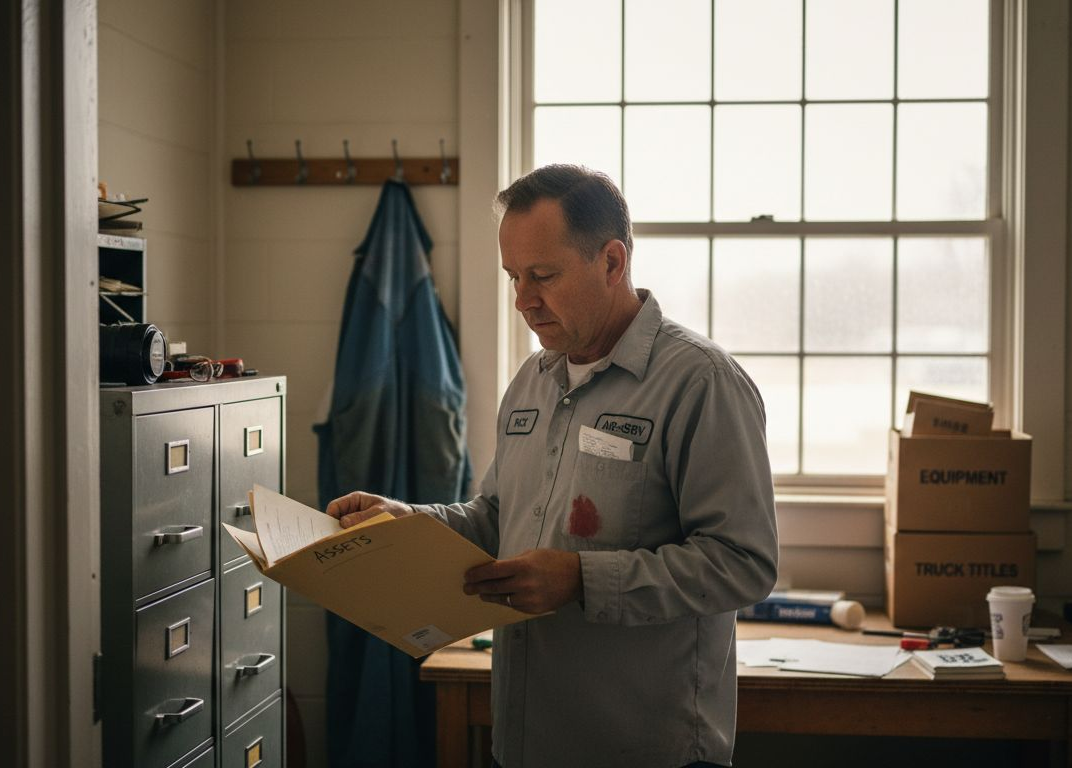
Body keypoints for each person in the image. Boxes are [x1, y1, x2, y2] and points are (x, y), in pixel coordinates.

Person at [326, 164, 778, 768]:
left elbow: (743, 563)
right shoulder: (534, 379)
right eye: (514, 277)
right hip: (526, 740)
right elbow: (495, 517)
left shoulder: (700, 383)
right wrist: (407, 521)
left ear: (613, 263)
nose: (522, 301)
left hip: (648, 747)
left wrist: (582, 580)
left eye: (543, 276)